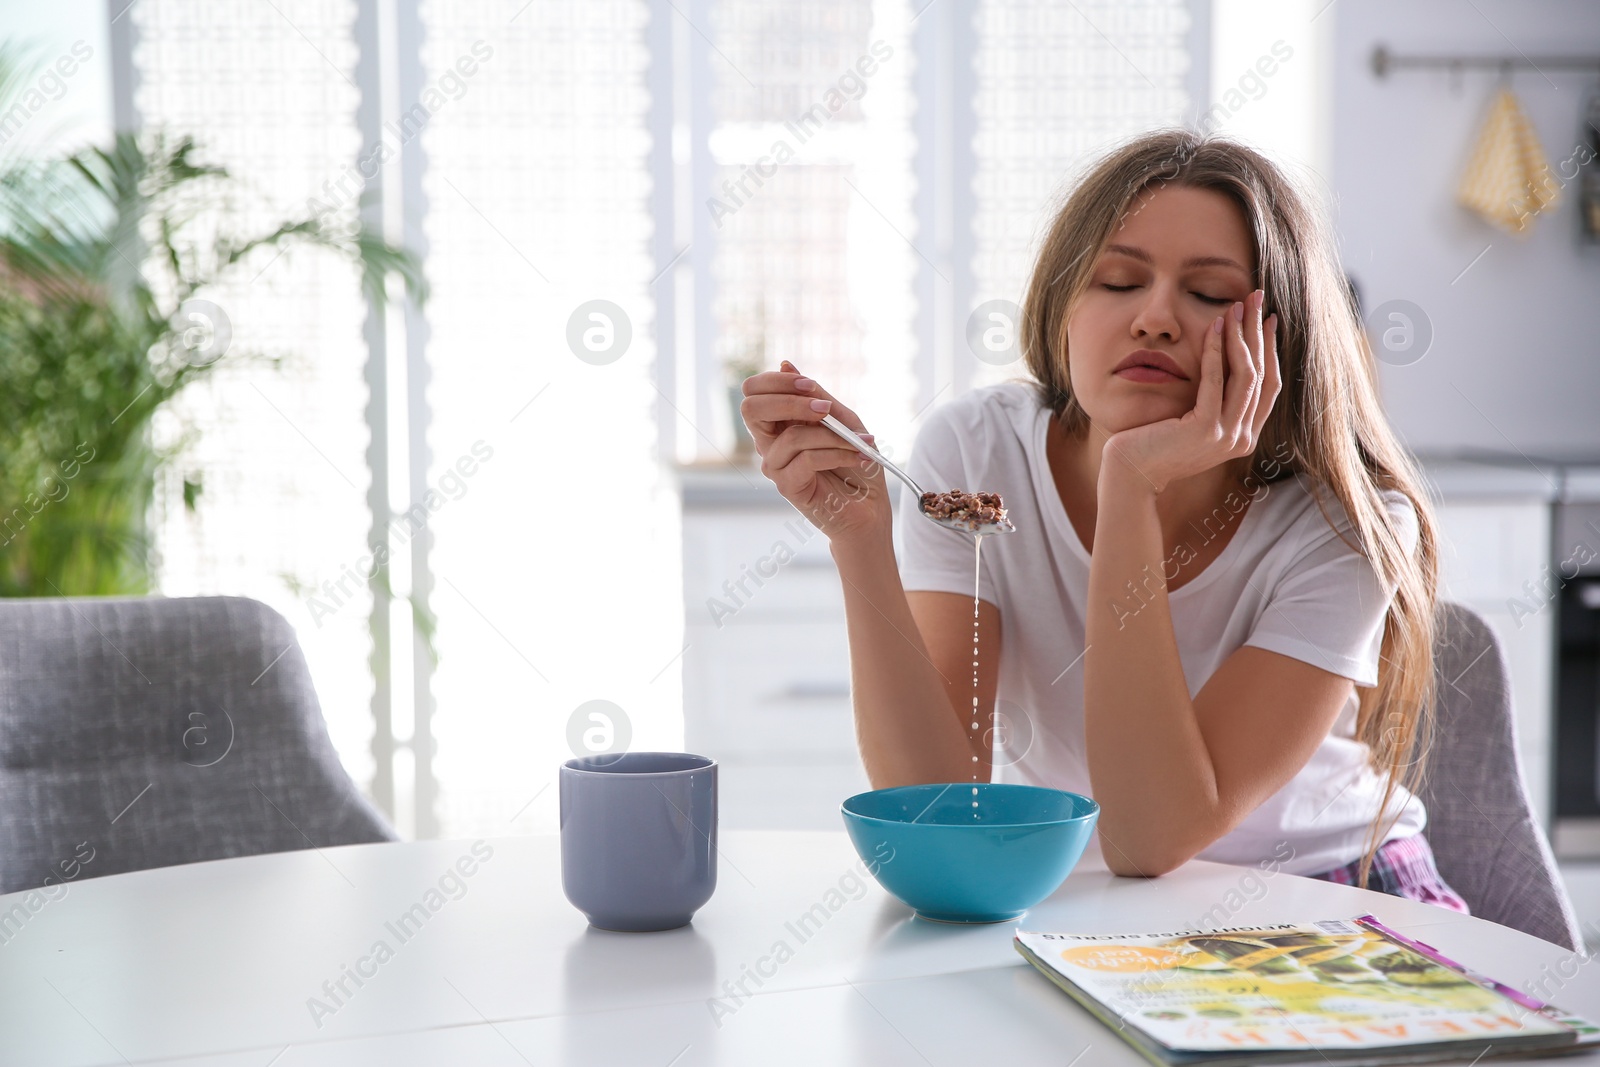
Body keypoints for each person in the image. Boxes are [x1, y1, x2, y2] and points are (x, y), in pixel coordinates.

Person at [739, 128, 1467, 911]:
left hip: (1331, 897)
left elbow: (1149, 836)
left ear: (1277, 338)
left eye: (1212, 295)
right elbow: (938, 808)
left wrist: (1131, 486)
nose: (1155, 318)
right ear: (1062, 309)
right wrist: (859, 541)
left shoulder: (1348, 523)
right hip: (1093, 901)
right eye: (1118, 281)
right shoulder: (977, 451)